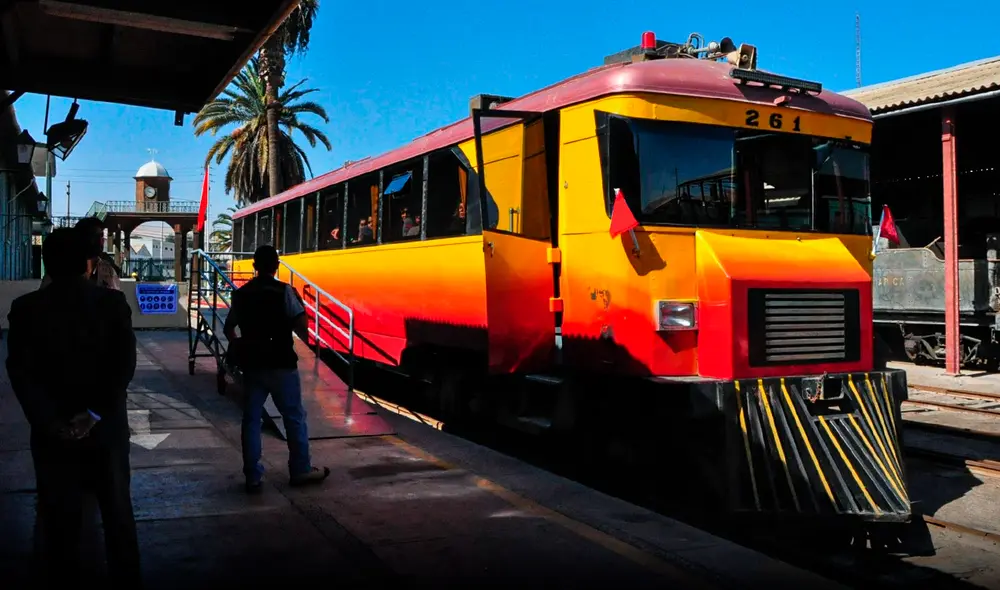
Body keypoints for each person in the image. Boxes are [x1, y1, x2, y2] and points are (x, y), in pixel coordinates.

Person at [6, 227, 140, 587]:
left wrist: (48, 421)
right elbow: (122, 366)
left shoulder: (25, 309)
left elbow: (20, 372)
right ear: (88, 263)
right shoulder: (112, 305)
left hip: (53, 436)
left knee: (57, 520)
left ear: (47, 264)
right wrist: (94, 413)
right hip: (106, 430)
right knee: (117, 517)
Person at [223, 245, 330, 493]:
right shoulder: (285, 291)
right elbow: (302, 326)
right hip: (282, 363)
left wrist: (239, 344)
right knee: (293, 417)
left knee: (251, 419)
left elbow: (230, 328)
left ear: (254, 266)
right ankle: (300, 469)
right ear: (276, 266)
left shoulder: (242, 294)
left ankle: (253, 476)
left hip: (253, 366)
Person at [39, 217, 121, 290]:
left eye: (102, 236)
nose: (101, 241)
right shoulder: (61, 268)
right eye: (94, 236)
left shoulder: (107, 269)